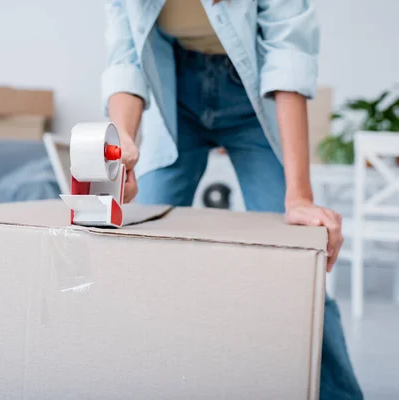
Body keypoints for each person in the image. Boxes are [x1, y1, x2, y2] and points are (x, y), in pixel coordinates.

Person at [102, 0, 363, 398]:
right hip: (172, 88)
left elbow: (288, 52)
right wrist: (123, 144)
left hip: (253, 92)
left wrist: (300, 195)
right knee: (133, 248)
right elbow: (125, 56)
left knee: (301, 260)